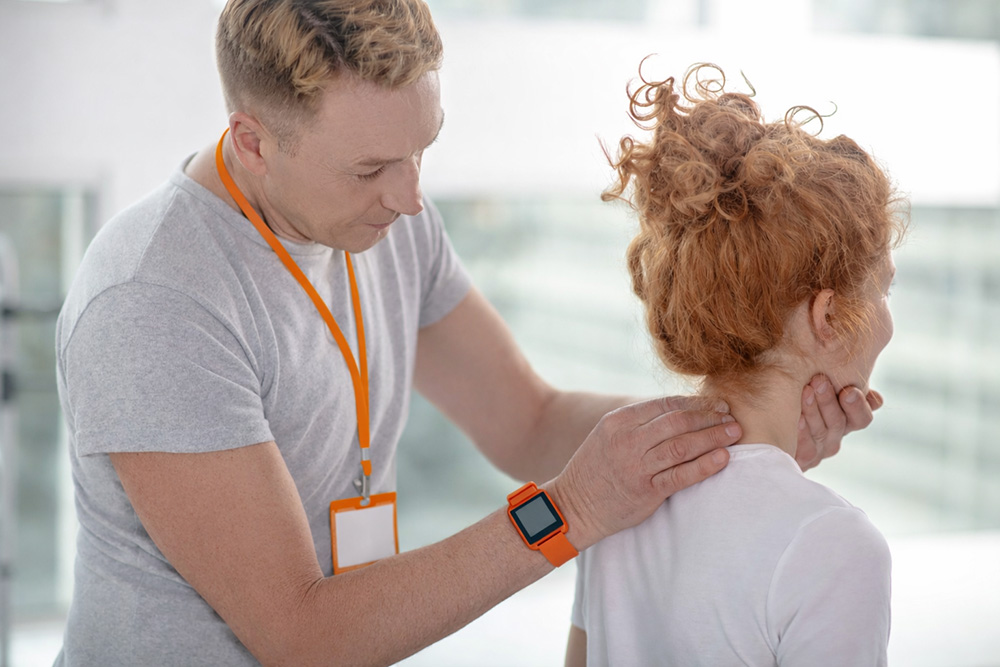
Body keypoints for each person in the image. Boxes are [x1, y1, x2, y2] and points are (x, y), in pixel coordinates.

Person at [53, 3, 879, 665]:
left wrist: (739, 438)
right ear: (252, 142)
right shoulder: (155, 301)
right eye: (371, 168)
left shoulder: (386, 222)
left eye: (422, 151)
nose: (410, 197)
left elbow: (528, 418)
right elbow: (302, 637)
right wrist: (570, 508)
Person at [566, 63, 905, 667]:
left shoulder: (621, 497)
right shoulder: (832, 545)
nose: (888, 321)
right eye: (883, 290)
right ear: (827, 318)